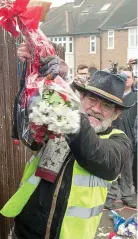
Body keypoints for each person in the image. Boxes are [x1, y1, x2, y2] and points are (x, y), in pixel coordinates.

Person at [1, 45, 132, 239]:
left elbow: (95, 155)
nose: (96, 109)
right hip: (26, 229)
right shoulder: (63, 116)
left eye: (106, 105)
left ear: (116, 113)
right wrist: (34, 73)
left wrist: (64, 88)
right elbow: (27, 130)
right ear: (81, 98)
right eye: (91, 100)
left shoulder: (119, 142)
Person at [105, 68, 137, 209]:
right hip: (112, 137)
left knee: (127, 169)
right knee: (113, 168)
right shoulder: (113, 96)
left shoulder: (136, 98)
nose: (126, 79)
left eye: (128, 77)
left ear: (133, 79)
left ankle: (127, 196)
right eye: (123, 77)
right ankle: (110, 197)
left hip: (129, 138)